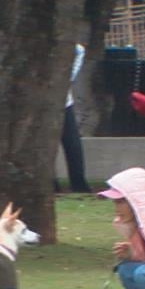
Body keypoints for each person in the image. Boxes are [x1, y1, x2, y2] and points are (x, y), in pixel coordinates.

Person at [57, 43, 91, 193]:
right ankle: (53, 183)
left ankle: (78, 183)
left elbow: (79, 50)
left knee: (72, 143)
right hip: (48, 101)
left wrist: (68, 78)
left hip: (63, 101)